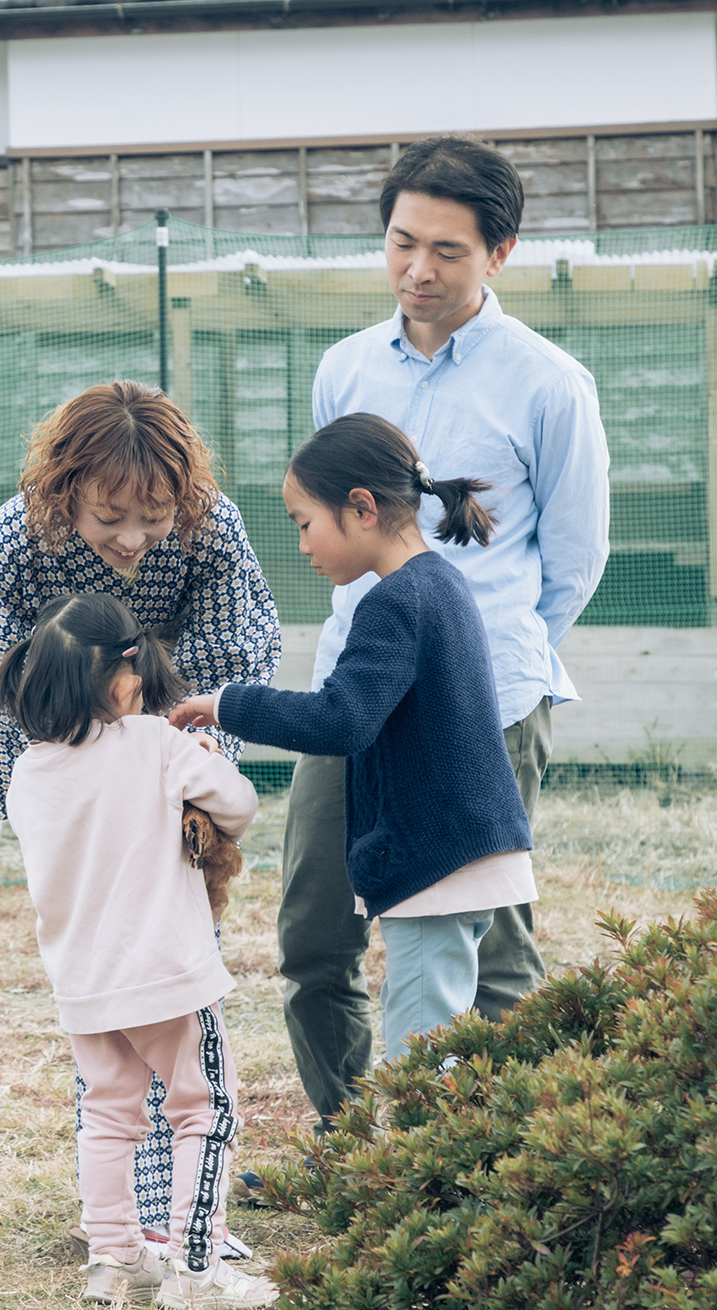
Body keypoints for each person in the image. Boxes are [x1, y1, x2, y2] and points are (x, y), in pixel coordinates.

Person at [281, 135, 610, 1131]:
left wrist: (468, 664)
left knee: (493, 954)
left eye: (446, 251)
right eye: (398, 242)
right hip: (349, 695)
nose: (416, 269)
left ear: (498, 254)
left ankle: (501, 1168)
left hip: (487, 702)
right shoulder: (342, 370)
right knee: (312, 935)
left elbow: (574, 556)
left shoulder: (548, 383)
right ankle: (355, 1160)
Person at [0, 379, 282, 1257]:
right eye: (108, 518)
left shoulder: (214, 530)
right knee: (137, 1005)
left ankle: (159, 1221)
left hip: (173, 737)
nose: (134, 539)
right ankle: (155, 1225)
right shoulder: (12, 543)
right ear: (64, 493)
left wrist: (184, 776)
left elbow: (232, 650)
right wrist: (45, 795)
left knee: (161, 984)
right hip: (69, 753)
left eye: (155, 515)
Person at [173, 414, 535, 1067]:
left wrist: (229, 704)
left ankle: (413, 1170)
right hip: (469, 853)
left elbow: (342, 719)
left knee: (421, 1065)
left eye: (304, 522)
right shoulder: (443, 586)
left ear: (361, 507)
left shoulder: (395, 602)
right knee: (448, 1043)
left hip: (436, 866)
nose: (304, 545)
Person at [0, 592, 278, 1310]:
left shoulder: (28, 773)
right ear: (116, 673)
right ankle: (197, 1269)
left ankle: (115, 1260)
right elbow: (239, 804)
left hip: (86, 986)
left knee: (109, 1115)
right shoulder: (155, 743)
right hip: (168, 977)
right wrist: (205, 756)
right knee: (205, 1110)